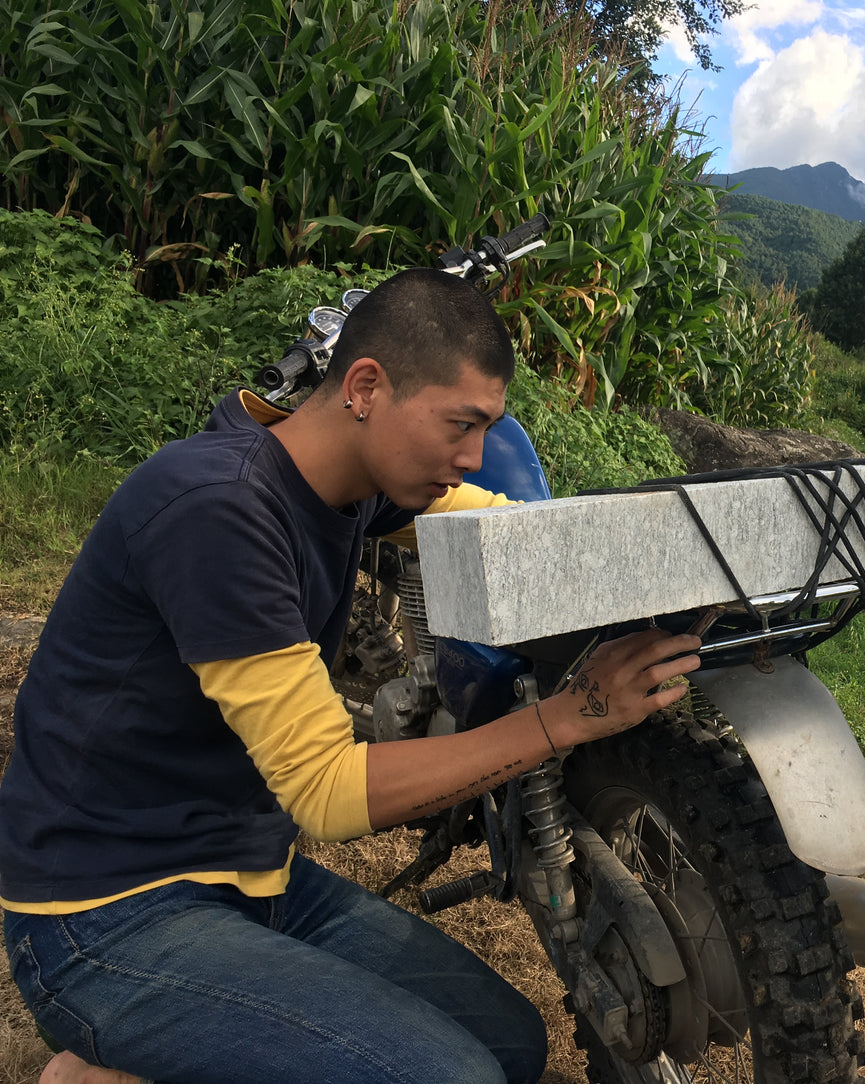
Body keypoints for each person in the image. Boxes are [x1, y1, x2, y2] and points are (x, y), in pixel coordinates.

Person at [0, 267, 702, 1084]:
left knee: (511, 1046)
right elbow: (327, 793)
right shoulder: (217, 511)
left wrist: (670, 555)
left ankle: (137, 1056)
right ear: (365, 386)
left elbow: (509, 535)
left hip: (249, 876)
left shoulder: (354, 491)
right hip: (104, 911)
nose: (473, 457)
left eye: (488, 429)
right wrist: (572, 714)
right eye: (460, 425)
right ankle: (111, 1051)